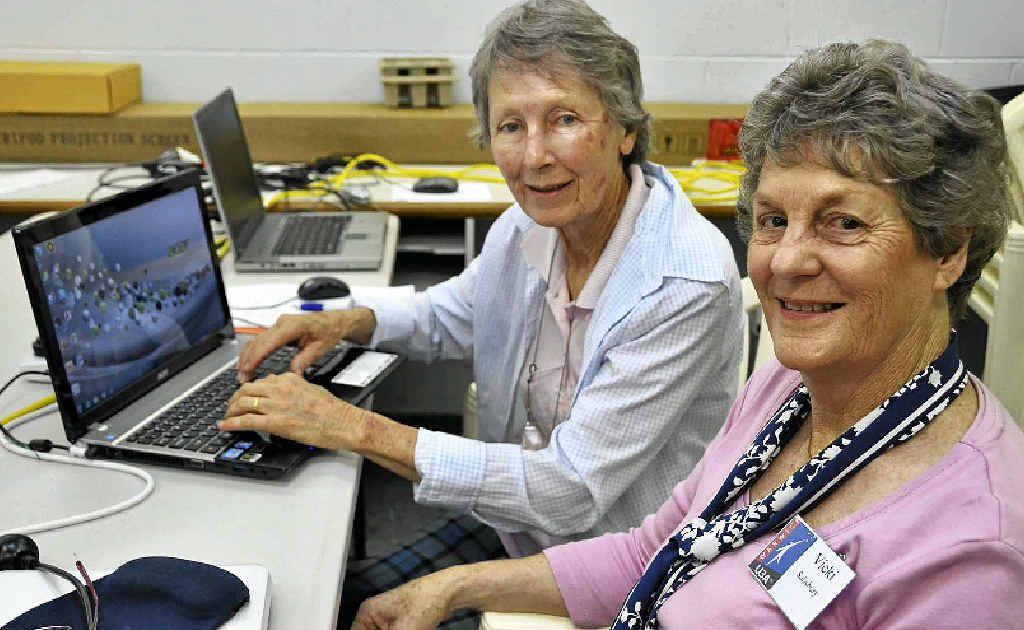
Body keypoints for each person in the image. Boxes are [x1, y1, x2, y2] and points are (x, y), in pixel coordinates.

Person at [351, 39, 1024, 630]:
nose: (787, 262)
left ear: (948, 253)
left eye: (843, 223)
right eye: (771, 221)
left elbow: (580, 495)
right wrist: (453, 589)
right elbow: (657, 549)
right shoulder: (788, 389)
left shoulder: (968, 556)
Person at [219, 0, 742, 625]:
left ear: (625, 129)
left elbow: (569, 490)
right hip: (519, 533)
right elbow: (457, 313)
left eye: (565, 119)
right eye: (511, 126)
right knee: (310, 603)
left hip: (615, 580)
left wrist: (353, 429)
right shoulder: (532, 225)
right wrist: (349, 318)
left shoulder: (682, 281)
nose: (534, 157)